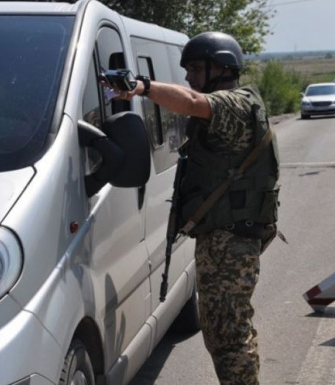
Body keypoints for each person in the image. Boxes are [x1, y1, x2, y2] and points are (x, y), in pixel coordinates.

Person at [107, 32, 280, 384]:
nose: (188, 76)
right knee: (222, 332)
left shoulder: (236, 104)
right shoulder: (232, 104)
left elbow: (189, 101)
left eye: (195, 68)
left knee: (229, 335)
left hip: (232, 241)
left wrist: (141, 85)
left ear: (221, 67)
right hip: (223, 238)